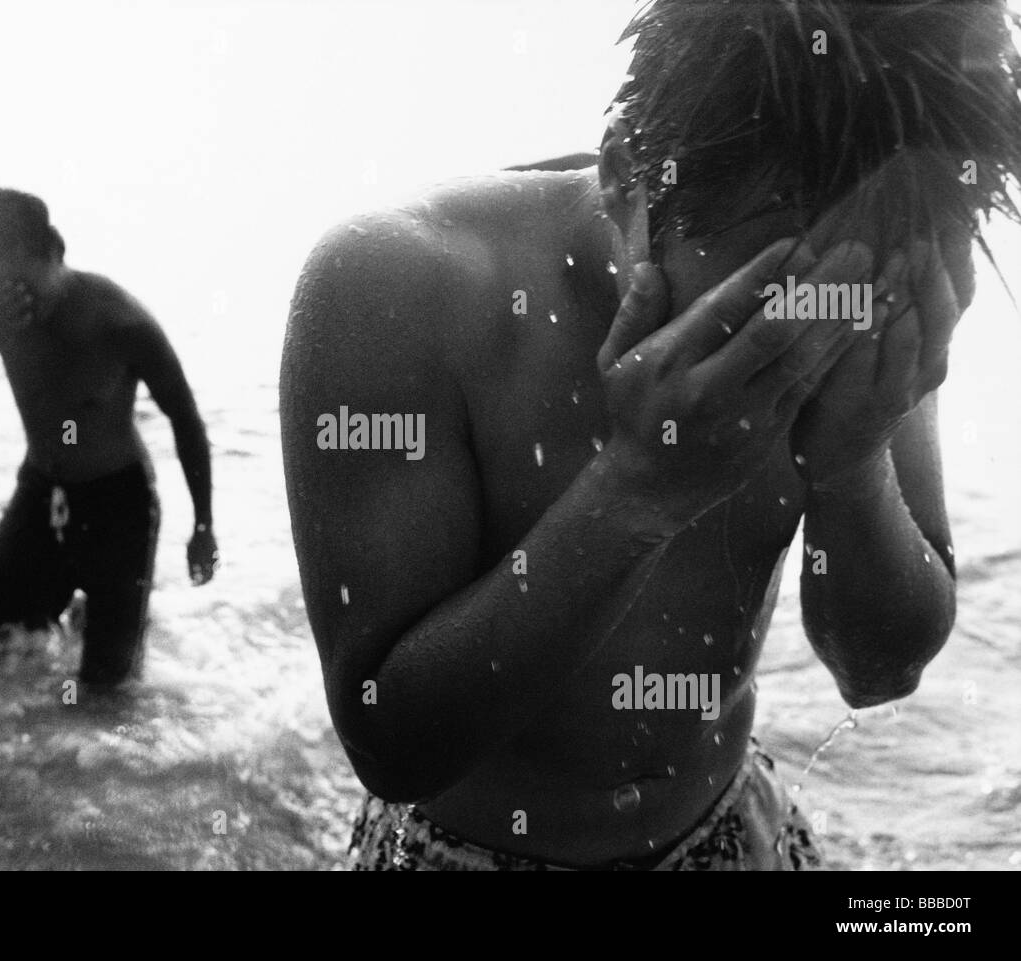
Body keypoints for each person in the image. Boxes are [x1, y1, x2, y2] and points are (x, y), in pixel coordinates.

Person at [281, 0, 1021, 870]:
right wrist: (637, 489)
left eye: (853, 301)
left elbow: (881, 672)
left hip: (725, 826)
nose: (807, 338)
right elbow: (392, 746)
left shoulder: (878, 271)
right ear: (627, 174)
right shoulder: (398, 286)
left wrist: (855, 460)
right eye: (761, 307)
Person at [0, 189, 218, 685]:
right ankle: (71, 610)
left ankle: (99, 614)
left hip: (119, 507)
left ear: (50, 253)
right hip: (42, 495)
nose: (8, 293)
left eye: (15, 279)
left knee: (108, 692)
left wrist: (203, 526)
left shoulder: (118, 319)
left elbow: (186, 419)